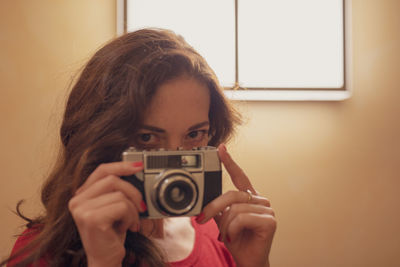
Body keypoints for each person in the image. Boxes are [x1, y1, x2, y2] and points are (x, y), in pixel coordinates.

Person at [2, 28, 276, 267]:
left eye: (194, 134)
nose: (173, 159)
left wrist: (255, 264)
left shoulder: (221, 234)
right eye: (147, 138)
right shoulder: (44, 251)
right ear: (99, 137)